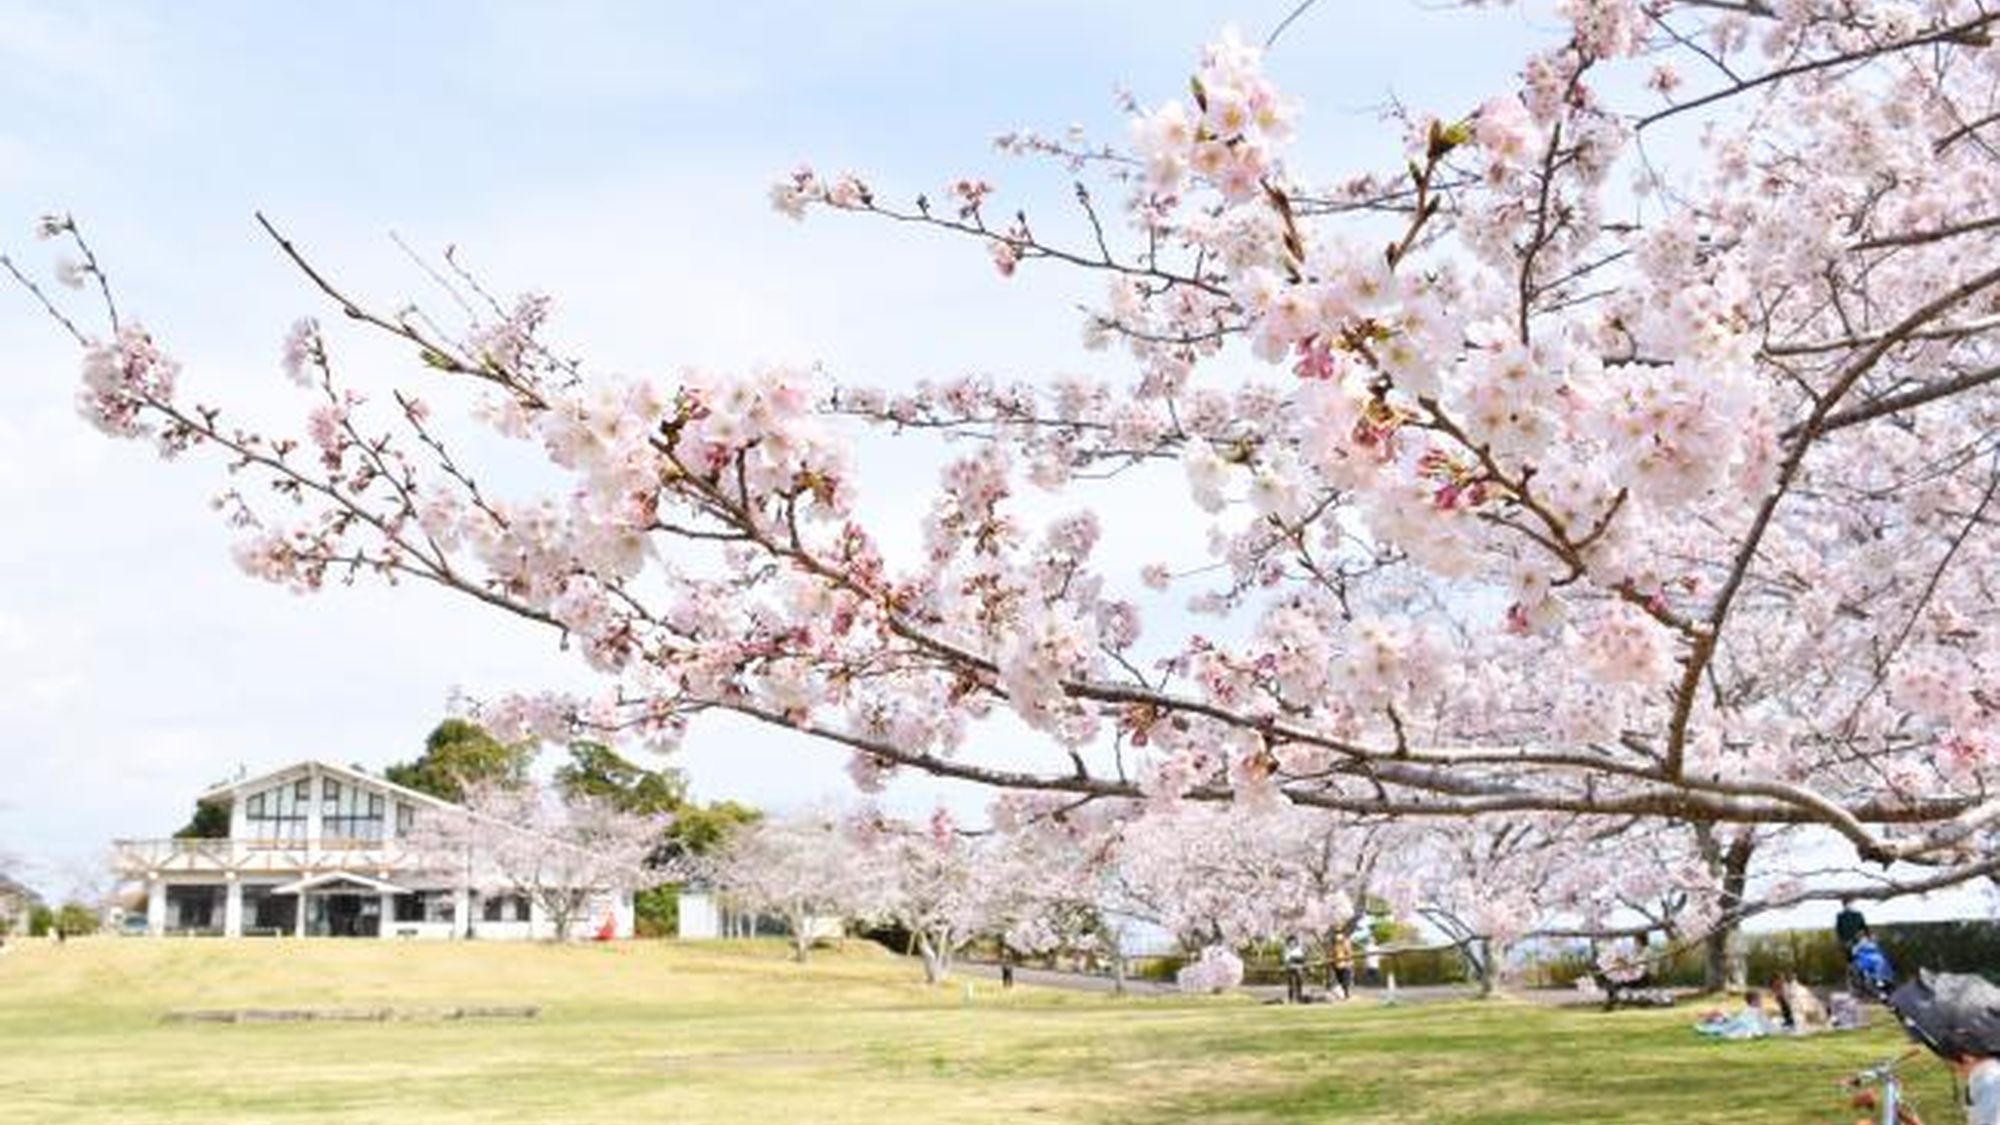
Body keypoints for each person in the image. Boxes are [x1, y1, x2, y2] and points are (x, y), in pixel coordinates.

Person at [1890, 971, 2000, 1125]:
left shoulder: (1989, 1082)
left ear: (1967, 1057)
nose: (1955, 1069)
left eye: (1954, 1063)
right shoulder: (1987, 1074)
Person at [1693, 990, 1775, 1040]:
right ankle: (1710, 1020)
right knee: (1722, 1023)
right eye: (1759, 1000)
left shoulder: (1754, 1010)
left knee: (1721, 1021)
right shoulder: (1753, 1010)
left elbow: (1763, 1021)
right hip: (1737, 1022)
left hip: (1734, 1021)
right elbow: (1752, 1022)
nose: (1761, 1002)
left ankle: (1710, 1020)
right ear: (1753, 1001)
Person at [1331, 931, 1356, 1000]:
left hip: (1345, 965)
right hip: (1337, 966)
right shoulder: (1335, 946)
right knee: (1340, 980)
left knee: (1345, 981)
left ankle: (1346, 994)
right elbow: (1332, 955)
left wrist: (1348, 962)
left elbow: (1349, 954)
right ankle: (1344, 994)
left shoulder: (1346, 944)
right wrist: (1333, 963)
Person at [1282, 936, 1306, 1004]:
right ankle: (1291, 999)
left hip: (1298, 969)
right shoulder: (1287, 950)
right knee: (1291, 984)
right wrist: (1294, 959)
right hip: (1291, 969)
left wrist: (1295, 959)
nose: (1292, 943)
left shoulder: (1298, 949)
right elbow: (1287, 960)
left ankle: (1299, 998)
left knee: (1299, 984)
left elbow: (1302, 959)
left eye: (1293, 942)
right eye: (1290, 942)